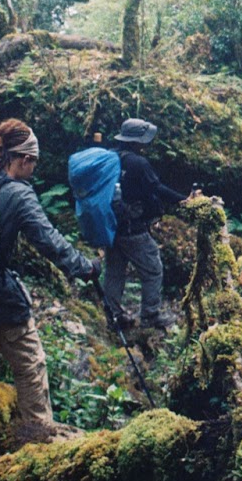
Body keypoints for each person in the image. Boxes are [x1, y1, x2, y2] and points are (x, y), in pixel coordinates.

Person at [0, 118, 99, 444]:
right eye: (34, 162)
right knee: (30, 367)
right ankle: (38, 445)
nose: (35, 169)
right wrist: (85, 267)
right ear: (23, 159)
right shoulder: (17, 194)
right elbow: (48, 240)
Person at [105, 117, 189, 330]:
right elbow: (156, 188)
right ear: (136, 141)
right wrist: (184, 200)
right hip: (133, 229)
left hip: (112, 227)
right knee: (153, 269)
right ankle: (150, 316)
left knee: (115, 272)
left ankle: (112, 315)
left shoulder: (111, 157)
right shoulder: (138, 163)